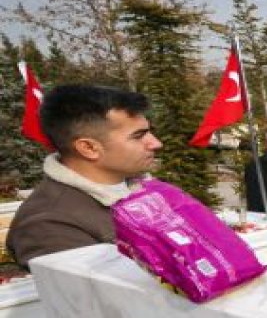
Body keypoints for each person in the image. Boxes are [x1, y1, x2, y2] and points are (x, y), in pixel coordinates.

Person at [7, 84, 160, 269]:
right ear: (89, 148)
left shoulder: (145, 190)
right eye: (138, 136)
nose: (156, 143)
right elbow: (99, 295)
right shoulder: (50, 224)